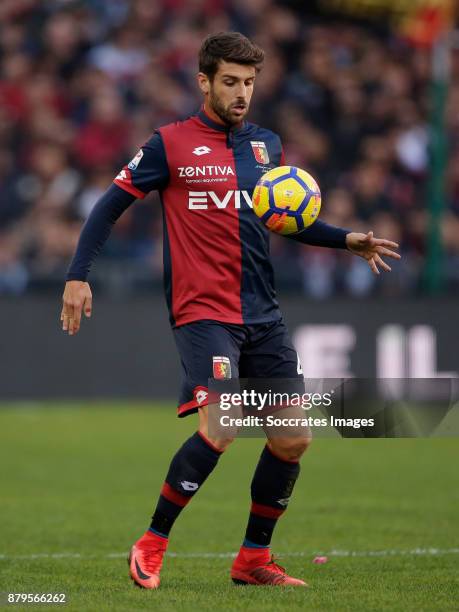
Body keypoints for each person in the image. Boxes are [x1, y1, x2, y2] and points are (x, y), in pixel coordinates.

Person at [61, 32, 400, 588]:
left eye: (249, 83)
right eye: (230, 82)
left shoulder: (267, 147)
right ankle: (152, 541)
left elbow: (288, 220)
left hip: (262, 313)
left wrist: (346, 240)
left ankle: (252, 561)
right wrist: (78, 275)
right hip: (204, 313)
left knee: (293, 439)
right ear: (204, 82)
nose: (242, 94)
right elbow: (109, 205)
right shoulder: (168, 144)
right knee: (222, 425)